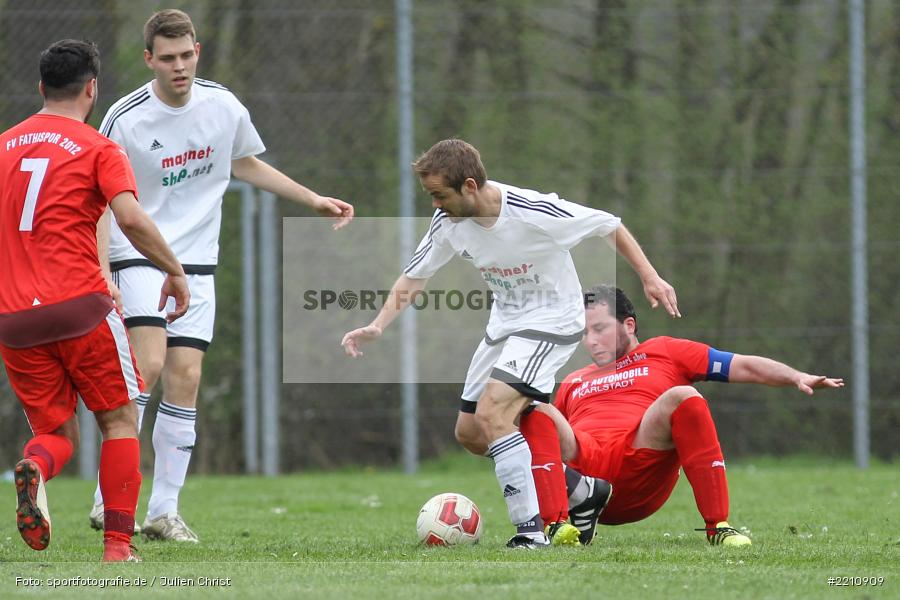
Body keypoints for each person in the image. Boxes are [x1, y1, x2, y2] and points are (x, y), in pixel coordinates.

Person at [89, 8, 354, 542]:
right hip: (138, 254)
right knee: (150, 364)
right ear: (150, 61)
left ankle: (164, 511)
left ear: (197, 52)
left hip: (197, 260)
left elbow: (246, 162)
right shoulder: (125, 117)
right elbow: (99, 200)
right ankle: (109, 498)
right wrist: (103, 273)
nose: (179, 66)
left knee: (186, 377)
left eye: (187, 55)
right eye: (168, 58)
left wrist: (311, 199)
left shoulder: (224, 106)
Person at [341, 139, 678, 548]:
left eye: (438, 195)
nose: (434, 205)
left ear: (469, 186)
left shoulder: (532, 211)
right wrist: (378, 325)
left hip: (553, 320)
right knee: (470, 432)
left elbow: (609, 223)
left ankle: (531, 532)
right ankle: (580, 491)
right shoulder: (448, 221)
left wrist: (650, 276)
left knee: (494, 410)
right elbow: (416, 275)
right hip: (504, 326)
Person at [0, 39, 190, 562]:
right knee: (119, 421)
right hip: (81, 306)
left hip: (14, 319)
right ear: (92, 88)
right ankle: (117, 548)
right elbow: (128, 218)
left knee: (55, 433)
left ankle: (35, 465)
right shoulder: (98, 148)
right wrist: (174, 270)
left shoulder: (2, 147)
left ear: (40, 88)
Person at [536, 284, 843, 546]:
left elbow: (744, 365)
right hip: (585, 472)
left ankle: (718, 526)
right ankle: (555, 525)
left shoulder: (666, 351)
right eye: (584, 332)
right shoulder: (574, 379)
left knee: (683, 396)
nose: (590, 340)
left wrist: (795, 376)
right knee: (535, 408)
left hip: (640, 465)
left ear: (628, 325)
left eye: (599, 329)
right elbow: (545, 445)